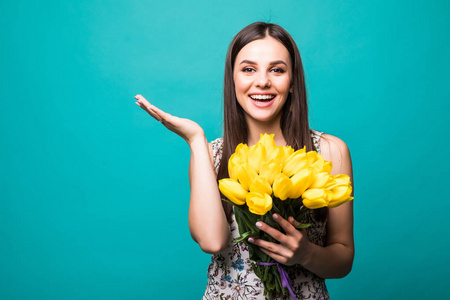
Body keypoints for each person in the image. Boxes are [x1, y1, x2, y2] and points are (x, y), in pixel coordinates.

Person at [135, 22, 354, 300]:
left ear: (293, 82)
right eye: (248, 69)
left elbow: (343, 259)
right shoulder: (211, 155)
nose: (262, 81)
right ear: (233, 80)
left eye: (277, 69)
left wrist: (306, 253)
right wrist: (195, 140)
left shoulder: (329, 151)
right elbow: (212, 241)